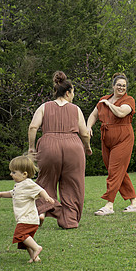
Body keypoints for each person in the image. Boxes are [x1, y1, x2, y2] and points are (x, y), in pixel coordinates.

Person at [28, 71, 92, 229]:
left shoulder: (44, 107)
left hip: (49, 145)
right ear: (68, 92)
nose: (73, 96)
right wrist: (87, 147)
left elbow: (33, 127)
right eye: (73, 92)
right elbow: (84, 133)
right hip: (73, 146)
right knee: (73, 184)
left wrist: (31, 147)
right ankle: (69, 220)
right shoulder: (75, 109)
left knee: (45, 181)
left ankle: (42, 210)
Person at [86, 72, 136, 215]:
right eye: (119, 85)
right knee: (118, 171)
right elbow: (94, 115)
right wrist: (88, 127)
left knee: (114, 170)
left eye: (124, 86)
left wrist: (109, 105)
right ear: (113, 86)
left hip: (123, 138)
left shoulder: (129, 100)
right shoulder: (104, 99)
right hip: (107, 139)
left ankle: (109, 205)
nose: (121, 88)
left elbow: (121, 113)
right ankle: (134, 203)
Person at [0, 155, 55, 263]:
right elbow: (13, 193)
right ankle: (35, 257)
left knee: (20, 235)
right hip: (24, 218)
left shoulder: (28, 183)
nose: (11, 174)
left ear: (24, 174)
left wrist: (47, 197)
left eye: (14, 172)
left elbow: (40, 190)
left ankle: (37, 248)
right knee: (24, 240)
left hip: (28, 218)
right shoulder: (19, 185)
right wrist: (0, 194)